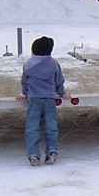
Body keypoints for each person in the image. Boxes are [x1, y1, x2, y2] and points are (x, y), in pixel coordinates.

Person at [16, 36, 71, 166]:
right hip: (49, 100)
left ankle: (33, 155)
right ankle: (52, 151)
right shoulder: (54, 64)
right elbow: (59, 81)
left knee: (32, 128)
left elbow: (25, 82)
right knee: (51, 127)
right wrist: (62, 93)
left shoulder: (28, 65)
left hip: (34, 100)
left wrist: (24, 93)